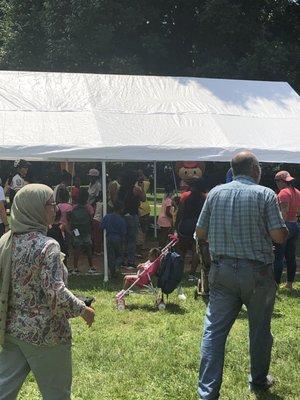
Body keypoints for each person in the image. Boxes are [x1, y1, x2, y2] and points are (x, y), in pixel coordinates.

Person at [196, 151, 288, 400]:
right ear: (255, 169)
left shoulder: (215, 193)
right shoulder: (265, 194)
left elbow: (200, 232)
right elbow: (279, 236)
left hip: (222, 271)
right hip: (257, 273)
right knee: (259, 330)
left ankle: (207, 392)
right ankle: (258, 379)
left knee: (214, 332)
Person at [0, 184, 95, 400]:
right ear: (35, 209)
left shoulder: (6, 241)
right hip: (47, 334)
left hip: (13, 329)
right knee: (57, 395)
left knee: (3, 390)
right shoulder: (47, 246)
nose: (56, 209)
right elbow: (56, 294)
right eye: (51, 204)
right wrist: (83, 309)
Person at [176, 178, 207, 281]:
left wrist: (176, 225)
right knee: (196, 250)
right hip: (198, 224)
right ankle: (192, 274)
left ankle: (178, 272)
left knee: (182, 250)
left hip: (186, 224)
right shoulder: (204, 197)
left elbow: (180, 212)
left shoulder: (185, 196)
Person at [274, 170, 300, 290]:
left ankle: (275, 285)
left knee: (278, 256)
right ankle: (289, 284)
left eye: (276, 181)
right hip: (295, 224)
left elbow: (283, 214)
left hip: (286, 226)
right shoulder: (297, 192)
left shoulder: (283, 193)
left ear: (281, 181)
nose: (276, 184)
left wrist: (279, 228)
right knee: (291, 256)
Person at [117, 170, 146, 268]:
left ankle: (121, 260)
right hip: (132, 215)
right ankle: (130, 261)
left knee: (122, 239)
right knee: (132, 239)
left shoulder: (120, 189)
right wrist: (142, 187)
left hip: (122, 215)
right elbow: (143, 198)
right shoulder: (135, 189)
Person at [69, 188, 97, 275]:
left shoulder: (73, 207)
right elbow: (92, 219)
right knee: (88, 248)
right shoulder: (89, 207)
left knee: (77, 248)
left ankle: (75, 267)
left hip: (76, 230)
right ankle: (91, 267)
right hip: (86, 230)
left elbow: (70, 218)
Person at [101, 202, 126, 278]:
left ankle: (112, 273)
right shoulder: (121, 220)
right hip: (118, 238)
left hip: (109, 237)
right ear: (121, 209)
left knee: (110, 256)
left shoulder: (107, 217)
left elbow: (102, 226)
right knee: (119, 255)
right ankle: (117, 265)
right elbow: (123, 232)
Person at [136, 169, 151, 250]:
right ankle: (141, 244)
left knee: (142, 229)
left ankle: (141, 244)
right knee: (142, 229)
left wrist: (141, 173)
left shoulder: (137, 185)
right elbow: (147, 180)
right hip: (141, 209)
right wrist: (142, 173)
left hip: (143, 209)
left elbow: (147, 180)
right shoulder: (143, 184)